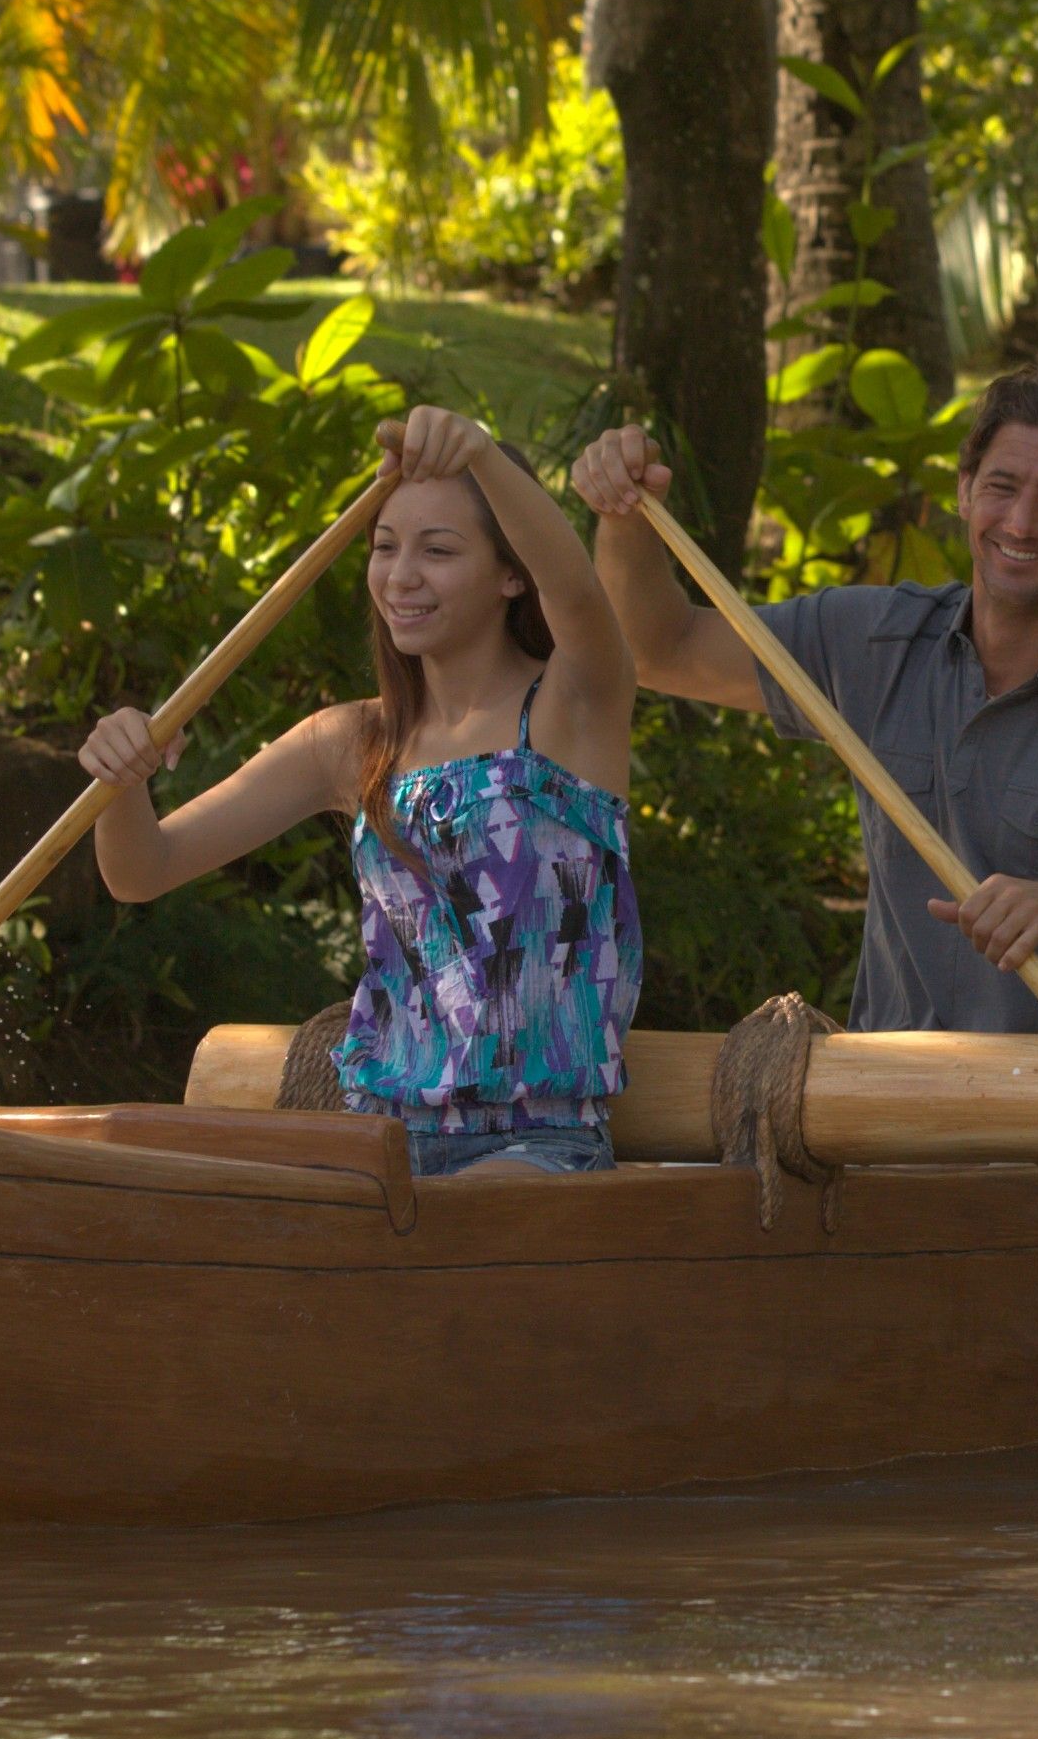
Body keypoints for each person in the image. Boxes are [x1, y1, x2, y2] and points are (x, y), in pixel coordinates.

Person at [569, 369, 1038, 1033]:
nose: (1020, 522)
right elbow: (661, 650)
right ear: (963, 491)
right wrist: (623, 514)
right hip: (884, 1111)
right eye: (1002, 487)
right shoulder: (880, 641)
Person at [76, 406, 640, 1175]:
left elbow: (574, 590)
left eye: (438, 551)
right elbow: (141, 871)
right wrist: (122, 783)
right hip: (376, 1138)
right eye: (384, 547)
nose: (401, 575)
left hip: (538, 1144)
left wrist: (481, 450)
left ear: (512, 574)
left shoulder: (574, 706)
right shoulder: (351, 742)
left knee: (426, 1238)